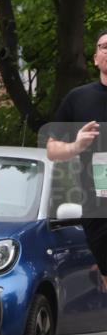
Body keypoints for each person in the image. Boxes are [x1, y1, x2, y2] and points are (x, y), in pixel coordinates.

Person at [46, 29, 107, 292]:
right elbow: (51, 149)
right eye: (104, 46)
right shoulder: (78, 98)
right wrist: (76, 145)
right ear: (95, 58)